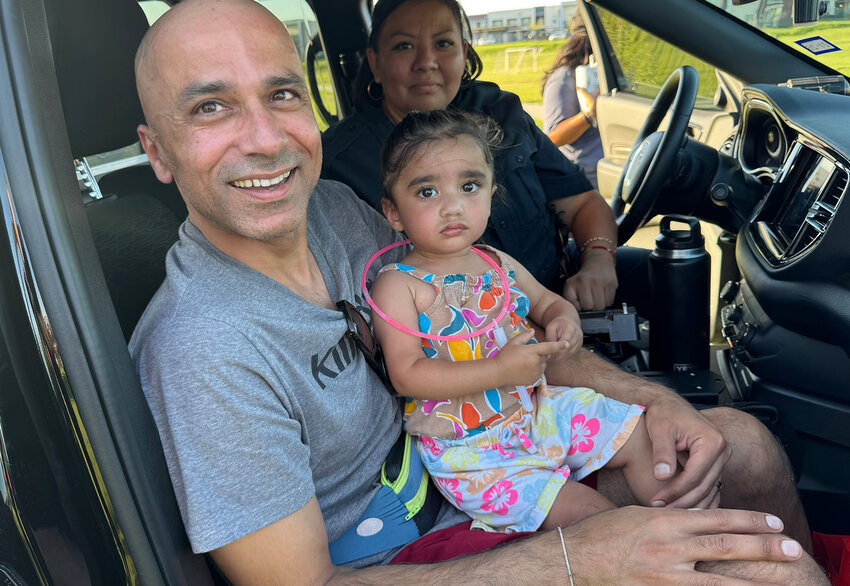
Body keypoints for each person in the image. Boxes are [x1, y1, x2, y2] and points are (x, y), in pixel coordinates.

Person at [128, 0, 828, 583]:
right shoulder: (201, 348)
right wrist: (581, 558)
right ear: (156, 151)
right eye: (211, 108)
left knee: (741, 445)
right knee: (773, 572)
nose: (263, 139)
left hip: (495, 458)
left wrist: (656, 402)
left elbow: (489, 327)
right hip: (406, 554)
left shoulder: (338, 214)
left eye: (281, 95)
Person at [371, 109, 676, 531]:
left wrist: (563, 321)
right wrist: (498, 370)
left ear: (491, 193)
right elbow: (407, 374)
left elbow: (548, 303)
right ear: (394, 213)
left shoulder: (495, 262)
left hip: (534, 412)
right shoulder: (400, 285)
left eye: (469, 186)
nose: (452, 206)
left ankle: (679, 516)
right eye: (427, 193)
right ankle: (653, 547)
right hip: (471, 451)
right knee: (597, 519)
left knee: (636, 431)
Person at [321, 0, 633, 313]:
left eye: (443, 43)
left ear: (464, 54)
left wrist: (598, 261)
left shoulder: (502, 114)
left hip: (559, 305)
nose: (427, 61)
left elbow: (581, 203)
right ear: (376, 63)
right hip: (457, 343)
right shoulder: (339, 165)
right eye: (404, 46)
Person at [542, 18, 604, 190]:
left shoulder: (606, 73)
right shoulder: (564, 77)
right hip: (585, 182)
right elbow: (553, 137)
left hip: (610, 174)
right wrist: (588, 115)